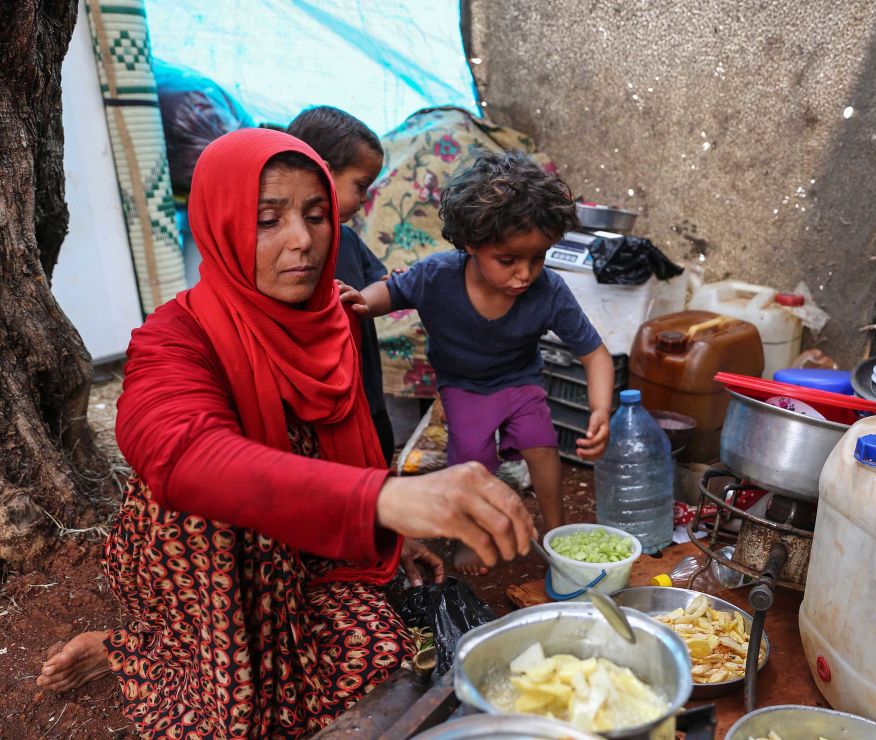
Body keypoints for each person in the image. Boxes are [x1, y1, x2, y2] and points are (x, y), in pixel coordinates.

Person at [36, 129, 535, 737]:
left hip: (304, 548)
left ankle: (174, 650)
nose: (302, 240)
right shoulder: (174, 338)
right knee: (237, 712)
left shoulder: (332, 317)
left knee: (381, 655)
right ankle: (132, 647)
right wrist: (386, 500)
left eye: (317, 215)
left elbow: (351, 446)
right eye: (267, 220)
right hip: (206, 568)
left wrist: (389, 530)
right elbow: (180, 454)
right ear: (218, 223)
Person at [340, 150, 614, 575]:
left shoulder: (550, 291)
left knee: (542, 444)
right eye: (508, 260)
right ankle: (472, 534)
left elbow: (593, 353)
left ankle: (557, 530)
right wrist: (362, 301)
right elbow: (391, 293)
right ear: (471, 244)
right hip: (463, 386)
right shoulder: (436, 275)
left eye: (537, 258)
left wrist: (599, 410)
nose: (524, 274)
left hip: (520, 381)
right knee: (470, 460)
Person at [286, 105, 396, 461]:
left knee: (378, 457)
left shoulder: (346, 240)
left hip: (367, 391)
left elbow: (380, 284)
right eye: (360, 187)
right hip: (324, 406)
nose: (363, 202)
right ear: (320, 171)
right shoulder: (288, 252)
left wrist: (387, 289)